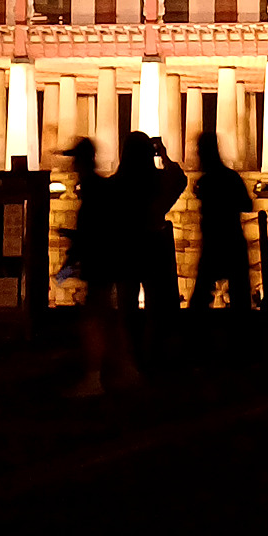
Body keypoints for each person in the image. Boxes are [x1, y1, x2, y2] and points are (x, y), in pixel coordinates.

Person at [61, 137, 142, 397]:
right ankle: (127, 370)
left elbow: (92, 230)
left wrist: (72, 256)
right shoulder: (100, 187)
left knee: (94, 320)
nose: (72, 165)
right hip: (108, 261)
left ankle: (95, 377)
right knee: (108, 318)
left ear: (82, 161)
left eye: (75, 160)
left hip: (100, 263)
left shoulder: (93, 190)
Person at [114, 132, 187, 365]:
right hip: (153, 246)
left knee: (127, 306)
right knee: (156, 307)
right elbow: (179, 179)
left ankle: (130, 355)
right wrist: (163, 155)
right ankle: (152, 356)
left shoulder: (117, 184)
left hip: (126, 248)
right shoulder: (156, 181)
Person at [189, 130, 256, 354]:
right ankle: (241, 346)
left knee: (200, 299)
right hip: (233, 241)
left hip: (214, 244)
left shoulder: (205, 182)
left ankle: (199, 345)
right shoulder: (230, 177)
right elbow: (247, 204)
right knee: (240, 298)